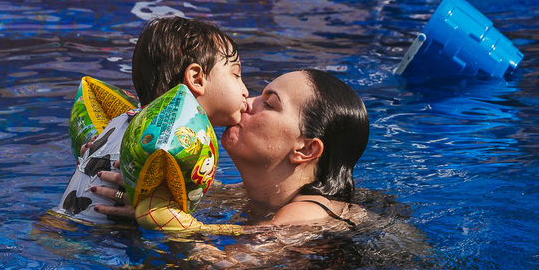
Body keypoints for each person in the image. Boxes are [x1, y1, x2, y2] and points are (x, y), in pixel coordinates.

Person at [95, 68, 370, 230]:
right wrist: (143, 180)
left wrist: (157, 213)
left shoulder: (311, 214)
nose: (247, 102)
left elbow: (226, 266)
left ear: (306, 149)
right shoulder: (247, 195)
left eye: (269, 104)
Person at [51, 17, 248, 231]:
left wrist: (231, 192)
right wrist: (232, 230)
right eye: (236, 75)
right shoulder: (168, 138)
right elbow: (156, 215)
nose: (245, 90)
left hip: (56, 225)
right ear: (196, 79)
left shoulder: (129, 120)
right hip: (87, 240)